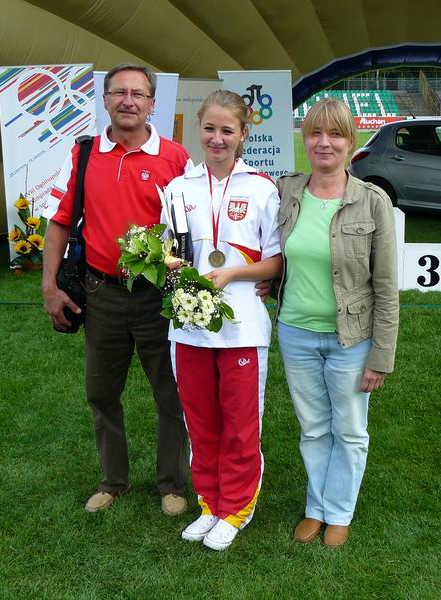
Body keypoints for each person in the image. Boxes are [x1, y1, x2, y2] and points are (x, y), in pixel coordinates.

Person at [42, 64, 191, 516]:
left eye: (138, 94)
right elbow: (60, 222)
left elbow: (192, 228)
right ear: (105, 99)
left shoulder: (175, 158)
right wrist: (49, 285)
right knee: (102, 392)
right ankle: (113, 480)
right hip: (101, 294)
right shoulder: (84, 153)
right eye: (119, 92)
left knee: (171, 394)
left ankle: (172, 484)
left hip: (157, 296)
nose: (128, 101)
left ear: (152, 104)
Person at [274, 98, 399, 548]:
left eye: (335, 134)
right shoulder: (286, 191)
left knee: (349, 429)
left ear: (351, 141)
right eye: (315, 133)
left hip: (352, 340)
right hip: (295, 333)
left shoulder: (372, 201)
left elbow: (387, 286)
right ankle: (317, 508)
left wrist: (381, 355)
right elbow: (271, 253)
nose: (324, 143)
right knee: (313, 428)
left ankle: (340, 512)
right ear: (304, 139)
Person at [163, 90, 282, 551]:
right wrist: (167, 266)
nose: (217, 138)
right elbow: (169, 253)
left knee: (240, 425)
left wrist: (232, 273)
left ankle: (236, 508)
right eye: (209, 128)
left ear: (243, 134)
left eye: (227, 130)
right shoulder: (179, 188)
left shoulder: (261, 188)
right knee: (200, 423)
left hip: (243, 328)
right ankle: (209, 504)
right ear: (199, 129)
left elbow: (276, 260)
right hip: (188, 327)